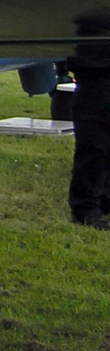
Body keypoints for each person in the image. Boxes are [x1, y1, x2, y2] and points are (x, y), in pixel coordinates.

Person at [66, 44, 110, 229]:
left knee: (98, 148)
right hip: (95, 73)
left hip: (95, 69)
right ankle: (85, 210)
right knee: (94, 149)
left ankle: (102, 200)